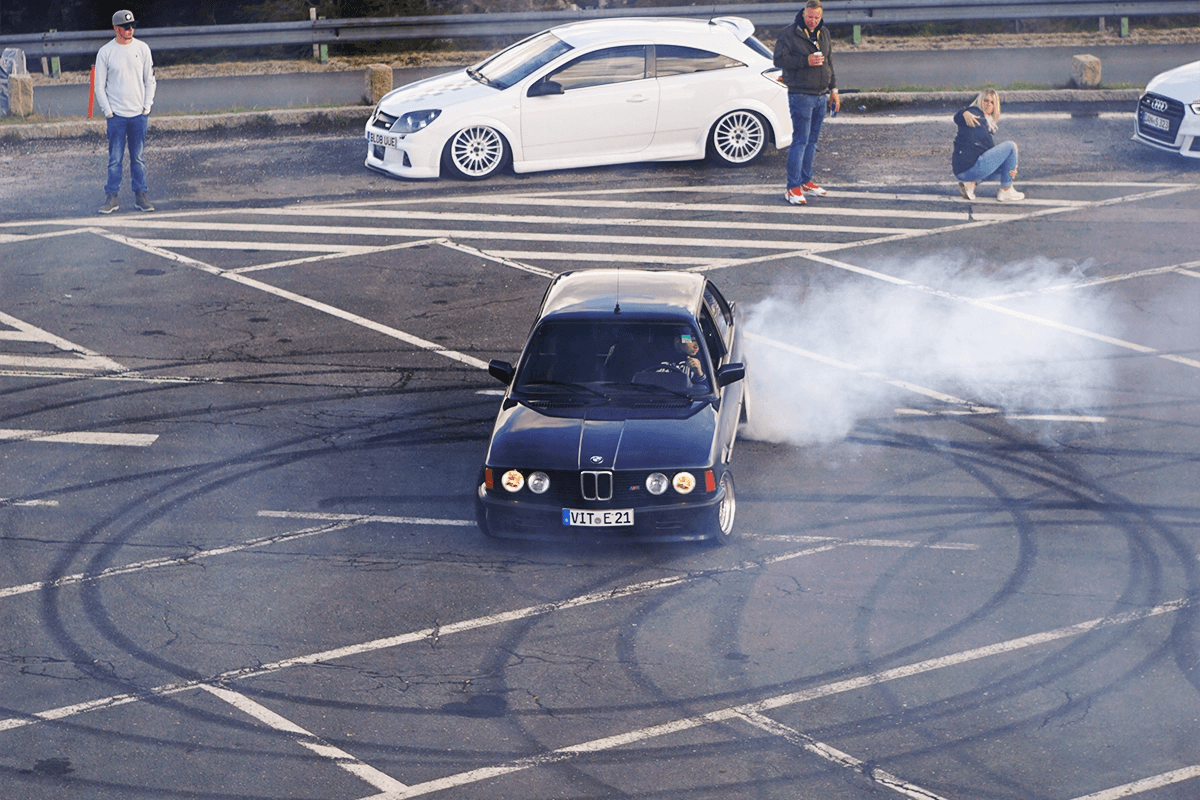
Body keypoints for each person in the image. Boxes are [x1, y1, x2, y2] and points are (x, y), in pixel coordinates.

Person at [774, 0, 840, 207]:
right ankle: (792, 187)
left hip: (821, 94)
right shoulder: (789, 33)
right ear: (803, 14)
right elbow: (778, 60)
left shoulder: (824, 33)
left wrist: (834, 90)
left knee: (812, 141)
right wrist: (806, 61)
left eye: (817, 18)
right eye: (810, 17)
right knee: (800, 141)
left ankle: (805, 181)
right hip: (801, 95)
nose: (813, 21)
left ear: (821, 16)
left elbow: (829, 61)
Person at [95, 9, 157, 214]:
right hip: (117, 116)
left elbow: (150, 79)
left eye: (132, 26)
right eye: (126, 27)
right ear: (116, 29)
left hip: (138, 114)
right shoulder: (106, 52)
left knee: (138, 158)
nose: (130, 30)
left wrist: (147, 107)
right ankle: (112, 197)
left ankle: (141, 195)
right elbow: (99, 86)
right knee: (115, 159)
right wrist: (109, 112)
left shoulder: (143, 48)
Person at [952, 88, 1024, 202]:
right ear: (980, 100)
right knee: (1011, 146)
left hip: (961, 171)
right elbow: (958, 118)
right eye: (986, 100)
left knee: (1006, 168)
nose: (988, 104)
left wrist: (1010, 168)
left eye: (992, 103)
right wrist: (964, 113)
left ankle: (970, 185)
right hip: (969, 167)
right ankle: (1006, 190)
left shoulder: (986, 122)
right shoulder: (975, 112)